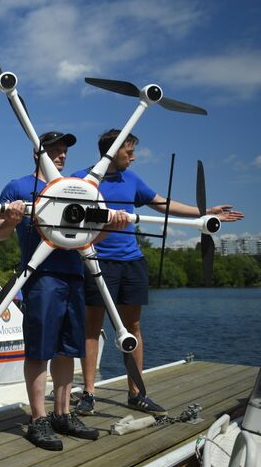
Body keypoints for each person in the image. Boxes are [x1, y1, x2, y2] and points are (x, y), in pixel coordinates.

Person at [72, 129, 244, 416]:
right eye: (129, 152)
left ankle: (136, 394)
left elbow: (163, 204)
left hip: (132, 261)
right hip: (96, 260)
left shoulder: (132, 180)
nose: (134, 157)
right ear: (113, 151)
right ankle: (89, 394)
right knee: (92, 329)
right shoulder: (82, 180)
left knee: (134, 328)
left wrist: (204, 213)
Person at [0, 131, 99, 451]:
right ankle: (38, 419)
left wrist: (114, 224)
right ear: (36, 154)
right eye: (54, 149)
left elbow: (93, 235)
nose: (61, 155)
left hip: (75, 276)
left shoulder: (79, 189)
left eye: (64, 150)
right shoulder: (18, 187)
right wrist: (11, 220)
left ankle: (62, 415)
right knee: (40, 350)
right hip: (42, 278)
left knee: (68, 350)